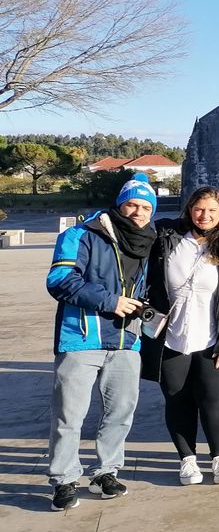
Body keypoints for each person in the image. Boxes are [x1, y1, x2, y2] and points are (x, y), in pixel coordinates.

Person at [45, 173, 158, 510]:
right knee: (69, 416)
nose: (138, 212)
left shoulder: (148, 240)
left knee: (120, 412)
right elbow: (59, 279)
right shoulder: (80, 234)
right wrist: (110, 301)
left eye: (145, 206)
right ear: (119, 203)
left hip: (126, 340)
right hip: (82, 338)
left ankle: (105, 472)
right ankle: (64, 479)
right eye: (132, 204)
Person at [142, 186, 219, 486]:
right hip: (171, 338)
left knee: (215, 400)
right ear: (189, 209)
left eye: (212, 210)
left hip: (213, 340)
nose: (204, 215)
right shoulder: (166, 238)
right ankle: (187, 461)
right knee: (177, 400)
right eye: (199, 209)